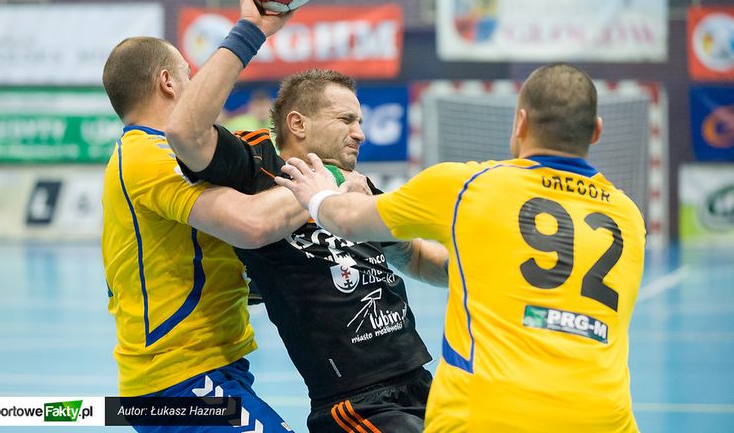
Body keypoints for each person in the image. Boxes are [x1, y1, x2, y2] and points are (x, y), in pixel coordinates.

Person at [276, 63, 645, 433]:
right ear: (596, 131)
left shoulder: (468, 185)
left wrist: (317, 193)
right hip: (607, 419)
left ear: (520, 123)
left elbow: (346, 220)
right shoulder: (629, 216)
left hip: (488, 415)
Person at [166, 65, 449, 432]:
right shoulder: (258, 168)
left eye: (360, 121)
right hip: (357, 404)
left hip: (421, 384)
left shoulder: (356, 188)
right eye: (346, 120)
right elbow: (186, 134)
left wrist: (483, 265)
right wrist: (249, 38)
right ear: (298, 124)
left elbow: (417, 257)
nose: (360, 133)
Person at [100, 0, 304, 432]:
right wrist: (327, 180)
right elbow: (251, 224)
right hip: (180, 381)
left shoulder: (146, 154)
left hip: (205, 371)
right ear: (168, 83)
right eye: (189, 76)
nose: (194, 86)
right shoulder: (150, 156)